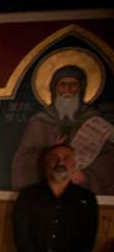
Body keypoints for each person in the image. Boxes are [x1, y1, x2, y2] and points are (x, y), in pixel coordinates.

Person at [10, 64, 113, 194]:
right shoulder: (39, 122)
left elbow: (108, 159)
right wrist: (48, 152)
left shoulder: (94, 122)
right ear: (54, 88)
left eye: (73, 84)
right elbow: (22, 161)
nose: (68, 90)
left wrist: (86, 177)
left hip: (81, 193)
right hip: (45, 193)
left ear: (81, 88)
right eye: (62, 84)